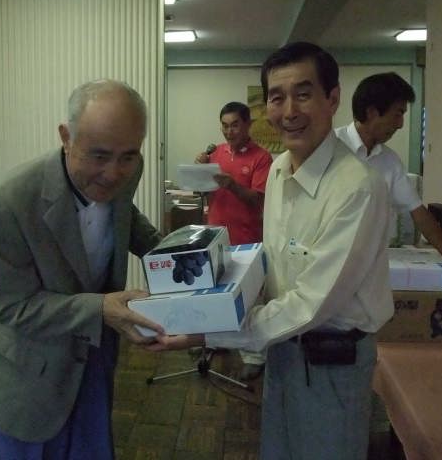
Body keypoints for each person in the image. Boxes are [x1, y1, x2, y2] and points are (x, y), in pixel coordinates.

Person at [151, 42, 394, 460]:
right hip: (281, 349)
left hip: (331, 362)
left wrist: (205, 331)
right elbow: (273, 261)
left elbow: (310, 305)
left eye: (304, 94)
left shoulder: (358, 188)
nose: (289, 111)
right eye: (277, 98)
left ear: (333, 98)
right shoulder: (280, 169)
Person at [0, 79, 165, 459]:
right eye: (98, 156)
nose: (113, 173)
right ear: (66, 137)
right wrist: (101, 308)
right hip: (32, 374)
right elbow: (13, 306)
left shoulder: (128, 167)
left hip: (95, 356)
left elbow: (123, 216)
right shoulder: (8, 201)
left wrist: (174, 254)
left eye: (128, 157)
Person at [335, 72, 442, 263]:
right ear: (372, 112)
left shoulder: (389, 161)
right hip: (329, 260)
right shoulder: (330, 147)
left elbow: (418, 213)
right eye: (398, 114)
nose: (400, 124)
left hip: (372, 262)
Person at [194, 101, 272, 380]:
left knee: (250, 299)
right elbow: (203, 193)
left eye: (235, 125)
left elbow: (258, 200)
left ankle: (253, 355)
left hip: (246, 240)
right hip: (215, 238)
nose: (229, 131)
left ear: (248, 124)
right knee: (215, 297)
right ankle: (216, 342)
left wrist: (232, 185)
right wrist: (198, 172)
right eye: (225, 126)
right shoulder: (214, 154)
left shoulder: (262, 158)